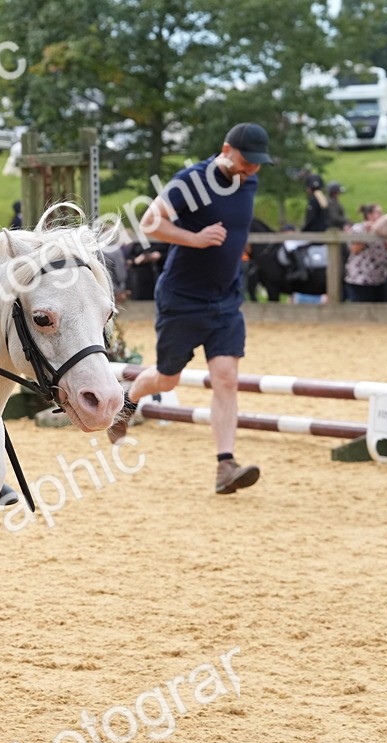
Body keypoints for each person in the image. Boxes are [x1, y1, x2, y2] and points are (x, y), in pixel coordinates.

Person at [109, 122, 273, 494]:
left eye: (258, 164)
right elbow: (151, 221)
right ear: (226, 149)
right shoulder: (192, 180)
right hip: (182, 297)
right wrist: (195, 239)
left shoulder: (249, 179)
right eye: (247, 161)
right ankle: (127, 400)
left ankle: (225, 465)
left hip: (226, 299)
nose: (251, 170)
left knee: (227, 378)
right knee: (167, 378)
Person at [344, 204, 387, 302]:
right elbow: (355, 249)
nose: (381, 215)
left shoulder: (385, 231)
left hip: (379, 278)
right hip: (360, 279)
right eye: (378, 213)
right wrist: (369, 234)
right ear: (369, 215)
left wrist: (382, 236)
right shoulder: (358, 228)